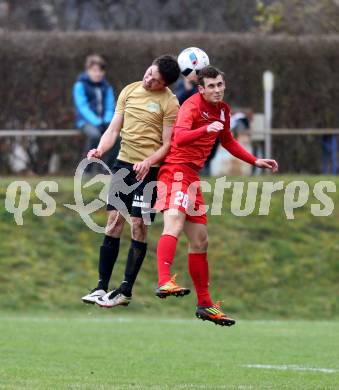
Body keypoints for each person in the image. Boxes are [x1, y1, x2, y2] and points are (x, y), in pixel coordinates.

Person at [154, 66, 278, 326]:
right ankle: (164, 280)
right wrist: (204, 129)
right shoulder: (191, 106)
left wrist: (256, 160)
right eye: (211, 86)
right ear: (201, 89)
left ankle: (205, 305)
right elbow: (180, 137)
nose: (217, 89)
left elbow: (229, 141)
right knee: (174, 221)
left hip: (193, 178)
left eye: (220, 84)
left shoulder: (223, 110)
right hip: (175, 171)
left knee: (200, 241)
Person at [81, 55, 181, 308]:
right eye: (149, 73)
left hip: (149, 172)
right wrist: (100, 149)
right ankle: (101, 286)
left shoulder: (170, 103)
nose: (148, 80)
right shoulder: (129, 90)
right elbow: (114, 129)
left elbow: (168, 144)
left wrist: (148, 162)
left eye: (155, 80)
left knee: (138, 224)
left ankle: (125, 289)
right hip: (123, 166)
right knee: (113, 223)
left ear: (165, 84)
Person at [73, 54, 118, 170]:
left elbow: (110, 106)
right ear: (88, 70)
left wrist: (107, 121)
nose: (97, 73)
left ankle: (107, 168)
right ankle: (86, 168)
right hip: (85, 122)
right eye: (94, 70)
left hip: (104, 121)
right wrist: (97, 122)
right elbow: (83, 107)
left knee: (117, 137)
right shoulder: (80, 85)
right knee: (94, 136)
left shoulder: (106, 87)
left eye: (100, 70)